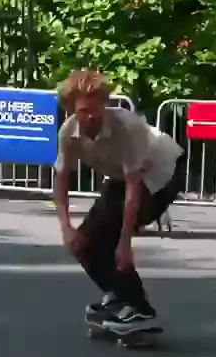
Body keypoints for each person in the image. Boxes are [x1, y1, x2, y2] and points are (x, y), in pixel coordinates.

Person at [53, 69, 185, 333]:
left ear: (105, 104)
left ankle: (139, 308)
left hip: (163, 173)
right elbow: (62, 177)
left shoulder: (126, 127)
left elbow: (133, 187)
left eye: (95, 110)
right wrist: (66, 227)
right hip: (121, 179)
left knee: (111, 238)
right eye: (83, 111)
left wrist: (125, 242)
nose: (90, 117)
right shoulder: (68, 133)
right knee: (82, 243)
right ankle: (119, 297)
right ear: (72, 110)